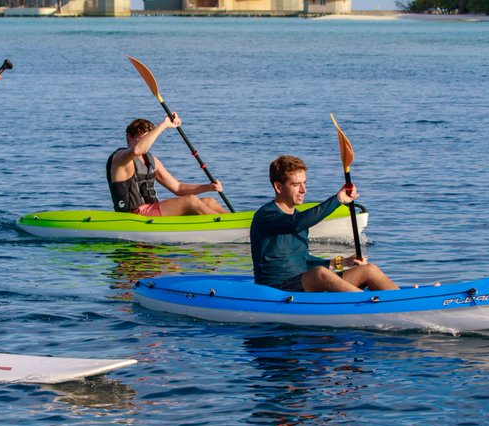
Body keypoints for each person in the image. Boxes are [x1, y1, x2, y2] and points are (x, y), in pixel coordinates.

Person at [250, 154, 399, 293]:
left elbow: (304, 261)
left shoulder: (297, 217)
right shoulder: (266, 215)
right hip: (275, 289)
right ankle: (372, 306)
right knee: (320, 274)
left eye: (304, 183)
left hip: (304, 284)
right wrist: (338, 200)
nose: (304, 190)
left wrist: (344, 262)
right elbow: (295, 224)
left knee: (369, 269)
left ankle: (402, 300)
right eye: (296, 185)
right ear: (278, 187)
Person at [106, 114, 228, 216]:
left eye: (148, 138)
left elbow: (178, 188)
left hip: (152, 210)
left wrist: (208, 187)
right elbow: (136, 150)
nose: (147, 143)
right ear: (129, 137)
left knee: (209, 201)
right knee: (190, 201)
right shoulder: (120, 158)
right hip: (134, 214)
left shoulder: (151, 160)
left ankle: (238, 222)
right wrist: (164, 124)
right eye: (142, 139)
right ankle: (225, 227)